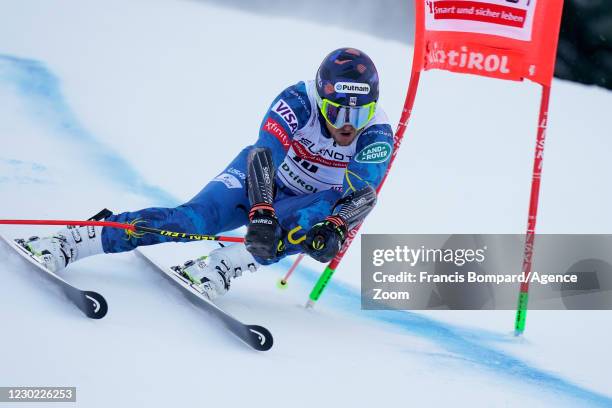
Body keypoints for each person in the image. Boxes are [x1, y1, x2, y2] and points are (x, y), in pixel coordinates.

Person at [23, 47, 394, 300]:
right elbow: (262, 155)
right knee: (192, 223)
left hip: (308, 201)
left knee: (317, 225)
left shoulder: (376, 133)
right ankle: (76, 239)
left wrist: (335, 228)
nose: (348, 125)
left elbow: (361, 195)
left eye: (358, 114)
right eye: (338, 111)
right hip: (260, 177)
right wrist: (262, 211)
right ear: (321, 94)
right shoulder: (298, 100)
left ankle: (223, 264)